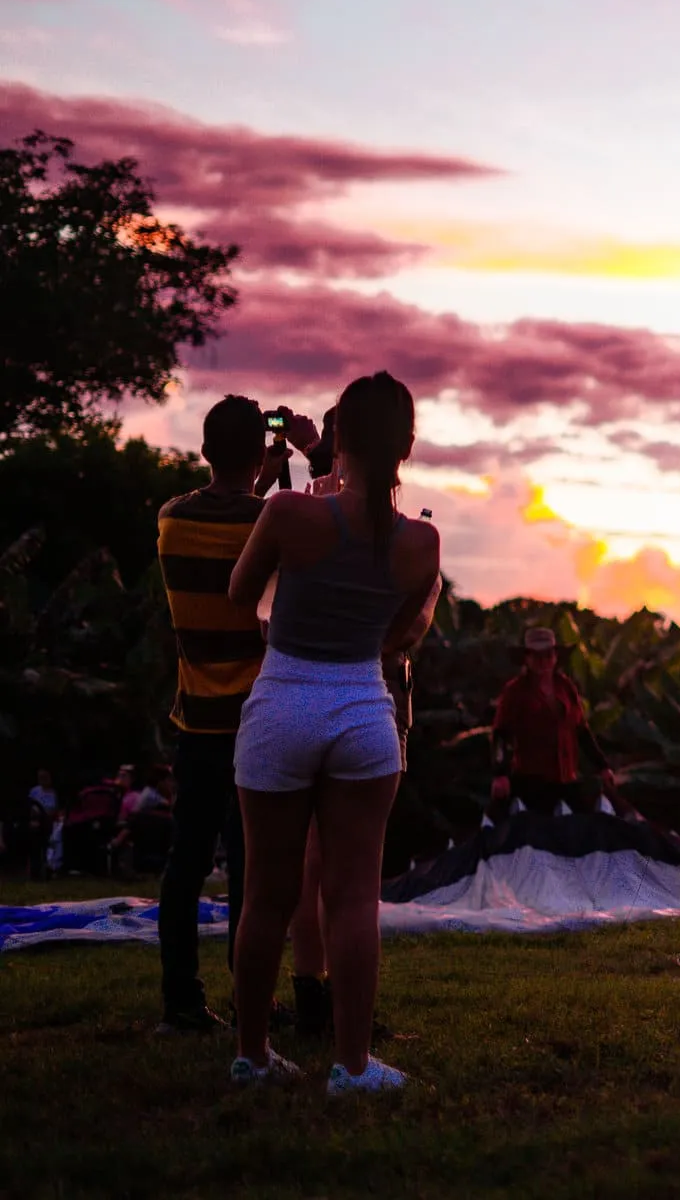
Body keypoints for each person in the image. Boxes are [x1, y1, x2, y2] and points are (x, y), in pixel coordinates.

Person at [227, 371, 440, 1094]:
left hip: (282, 701)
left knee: (266, 896)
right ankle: (351, 1065)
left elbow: (238, 595)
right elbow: (399, 636)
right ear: (408, 446)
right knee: (352, 899)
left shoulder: (289, 512)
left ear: (337, 439)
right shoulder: (423, 543)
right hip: (360, 709)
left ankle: (251, 1054)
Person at [155, 395, 317, 1032]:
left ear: (202, 453)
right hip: (257, 720)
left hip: (195, 720)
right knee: (253, 870)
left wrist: (256, 478)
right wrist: (283, 473)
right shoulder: (269, 520)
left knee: (185, 862)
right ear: (258, 453)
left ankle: (181, 1003)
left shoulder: (171, 520)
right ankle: (255, 999)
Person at [492, 627, 596, 815]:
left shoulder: (565, 687)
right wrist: (500, 774)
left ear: (556, 656)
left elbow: (581, 729)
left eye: (548, 655)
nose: (543, 661)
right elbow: (501, 734)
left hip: (567, 778)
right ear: (527, 658)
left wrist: (602, 766)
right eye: (537, 656)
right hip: (531, 781)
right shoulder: (515, 691)